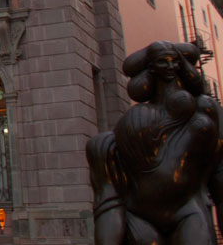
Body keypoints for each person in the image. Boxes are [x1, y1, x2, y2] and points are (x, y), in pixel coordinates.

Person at [87, 40, 223, 244]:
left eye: (174, 61)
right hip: (141, 217)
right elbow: (109, 199)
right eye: (163, 62)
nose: (170, 67)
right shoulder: (127, 126)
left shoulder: (204, 110)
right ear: (151, 68)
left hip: (185, 209)